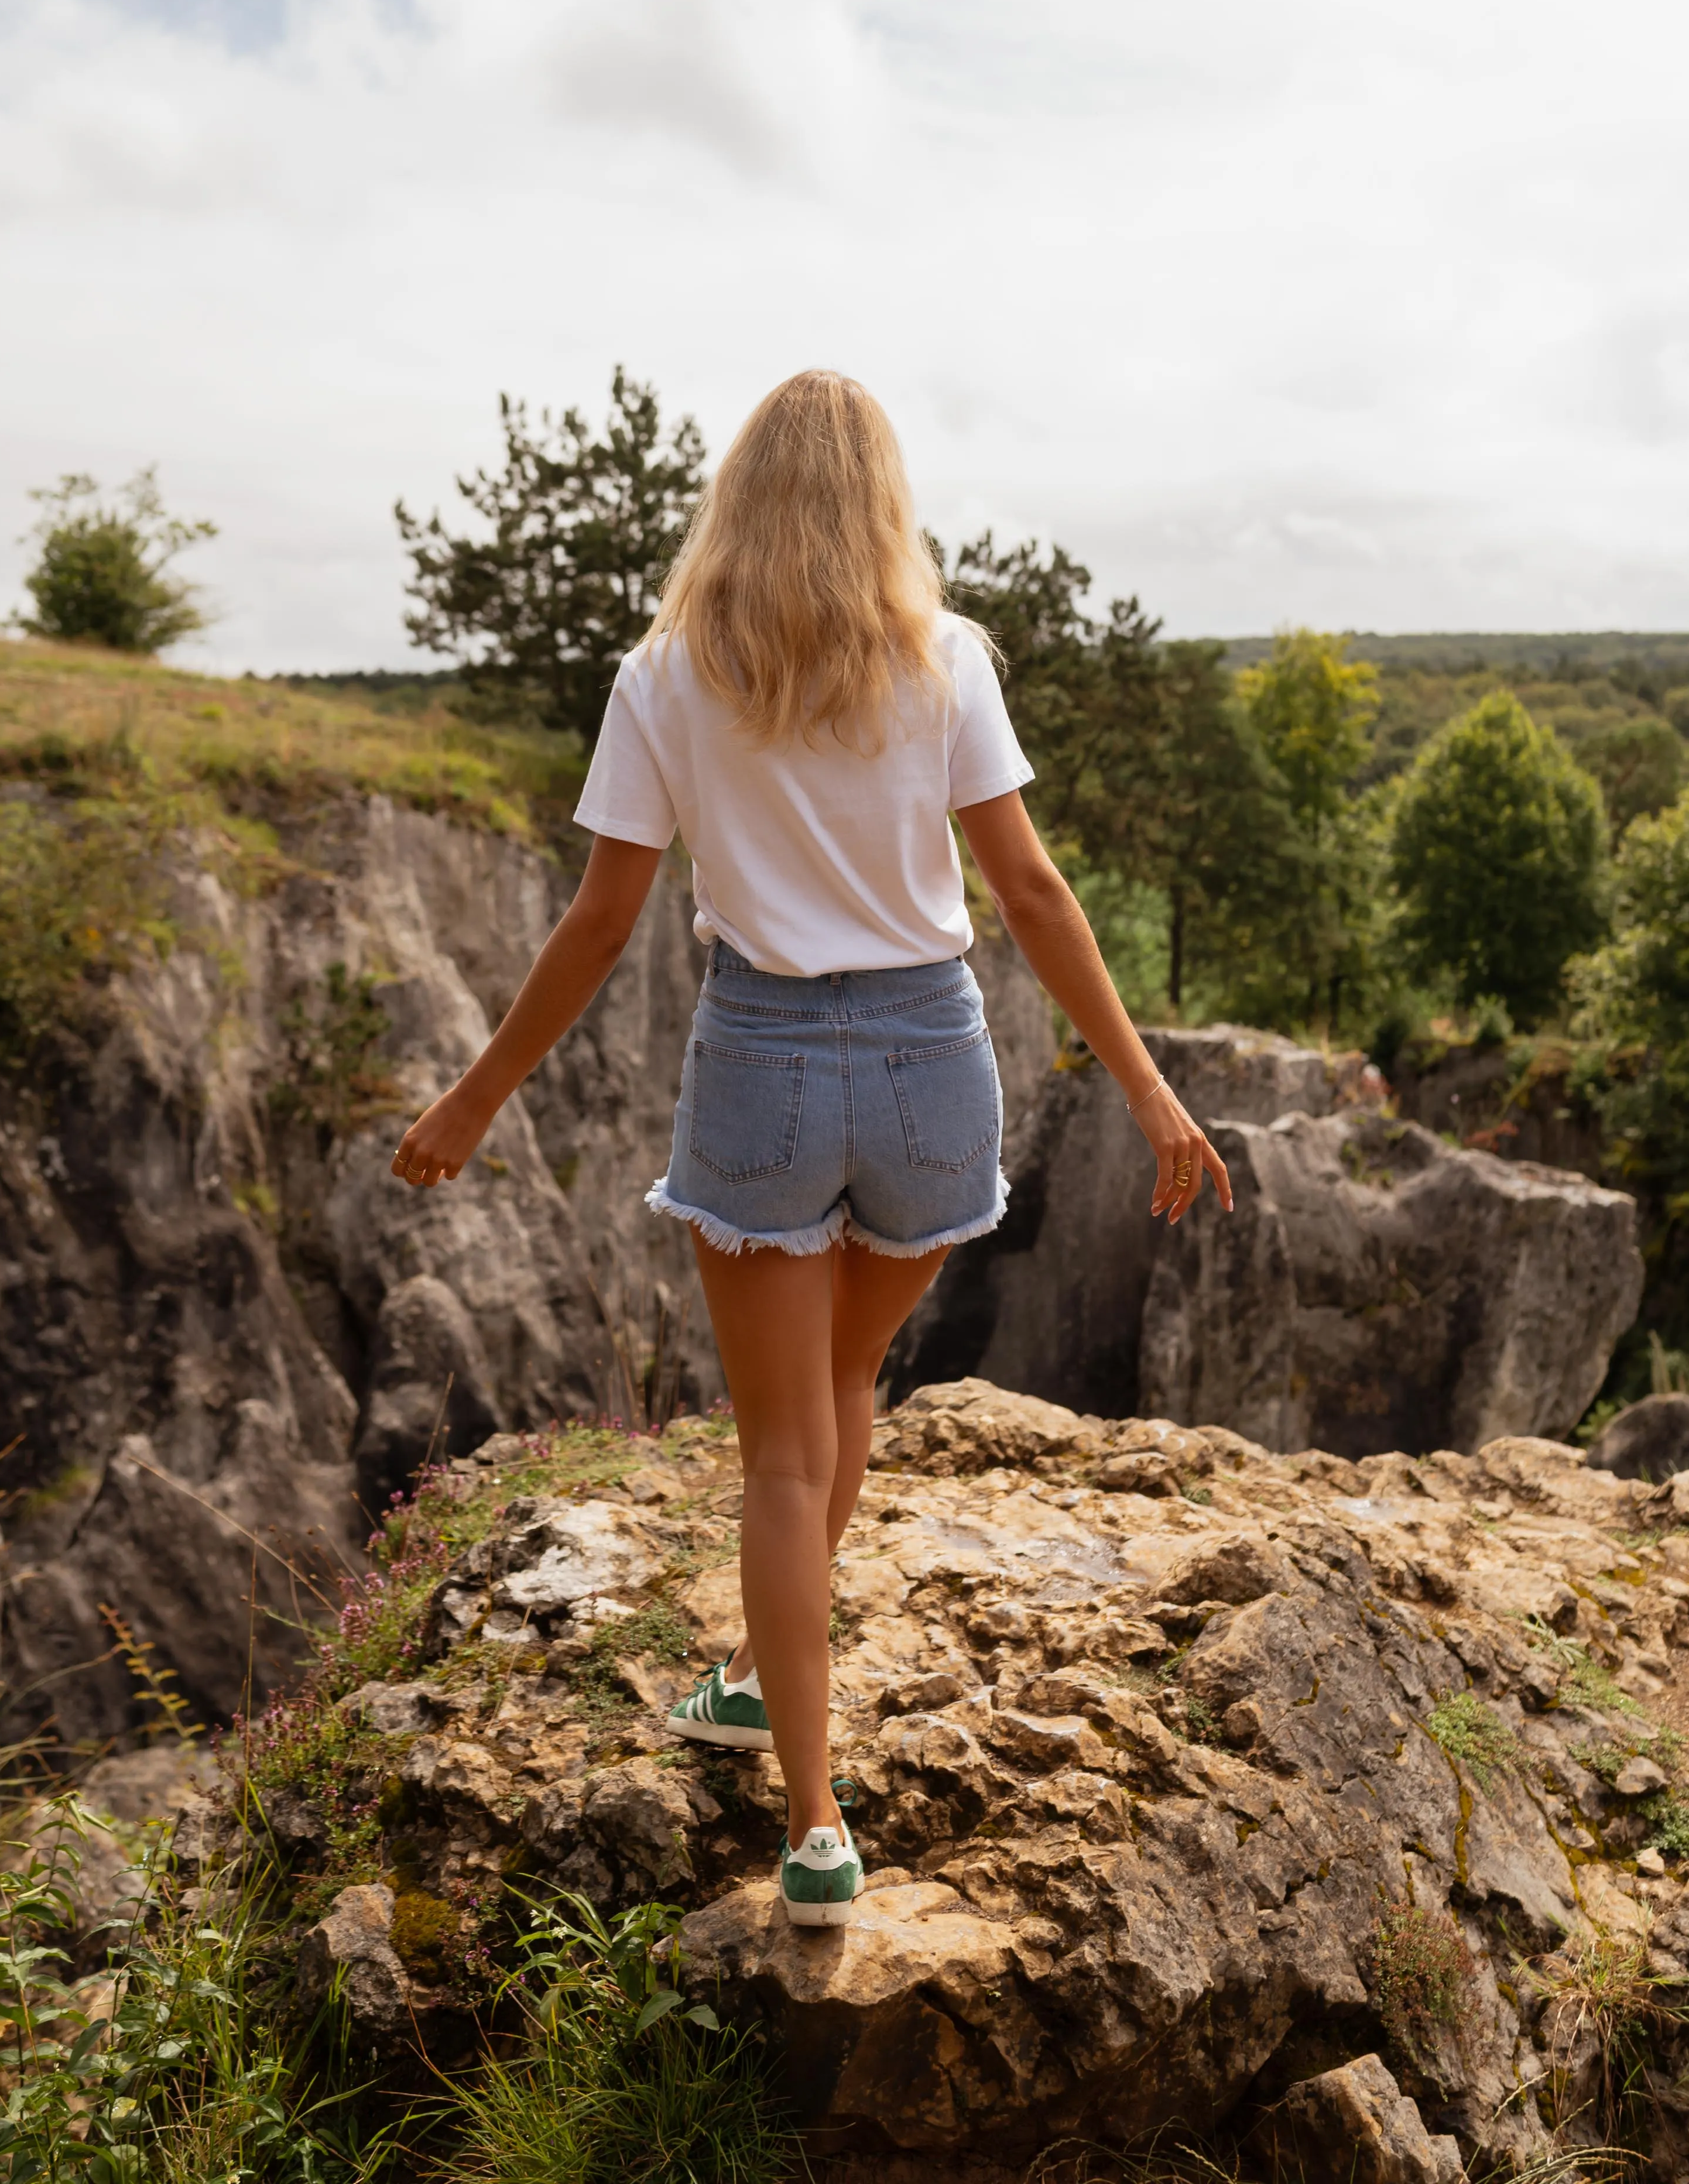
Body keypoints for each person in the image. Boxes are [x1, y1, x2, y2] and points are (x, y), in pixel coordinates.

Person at [390, 369, 1231, 1928]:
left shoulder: (666, 672)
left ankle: (814, 1814)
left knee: (785, 1449)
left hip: (764, 1056)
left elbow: (602, 921)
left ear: (742, 498)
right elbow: (1032, 893)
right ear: (883, 502)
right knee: (844, 1390)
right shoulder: (949, 659)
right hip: (930, 1060)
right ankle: (750, 1682)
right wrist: (1151, 1089)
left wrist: (474, 1095)